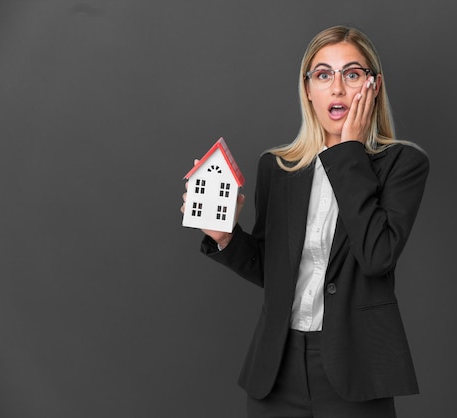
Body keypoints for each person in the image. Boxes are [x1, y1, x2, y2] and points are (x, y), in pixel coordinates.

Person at [181, 25, 429, 418]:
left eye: (352, 74)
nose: (337, 88)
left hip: (355, 367)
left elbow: (377, 256)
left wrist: (348, 150)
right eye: (323, 74)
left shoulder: (403, 164)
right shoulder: (279, 167)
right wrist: (224, 238)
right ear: (308, 88)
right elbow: (272, 269)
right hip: (277, 369)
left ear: (374, 86)